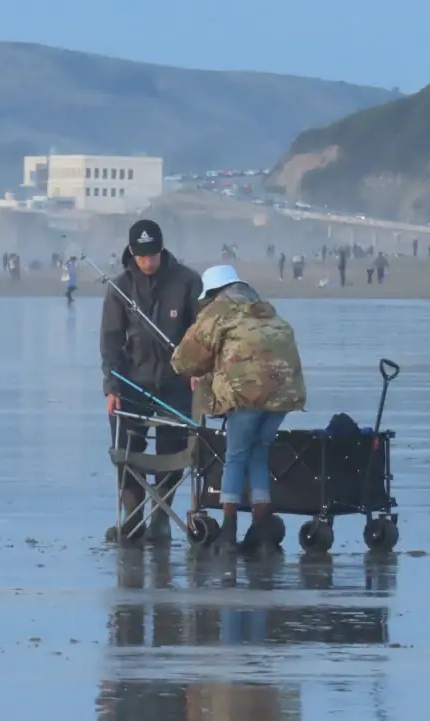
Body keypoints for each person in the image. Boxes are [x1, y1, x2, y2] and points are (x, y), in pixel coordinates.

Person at [170, 265, 307, 552]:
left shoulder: (218, 311)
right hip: (284, 394)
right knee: (258, 454)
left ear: (214, 292)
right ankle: (261, 531)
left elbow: (185, 360)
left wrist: (192, 371)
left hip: (246, 394)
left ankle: (228, 531)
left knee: (235, 457)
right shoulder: (264, 309)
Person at [101, 219, 202, 543]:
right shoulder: (120, 288)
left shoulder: (187, 282)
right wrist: (111, 387)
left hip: (176, 384)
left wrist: (198, 370)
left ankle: (161, 518)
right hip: (132, 384)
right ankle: (132, 519)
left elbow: (201, 333)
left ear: (162, 249)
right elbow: (111, 340)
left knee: (172, 451)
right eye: (143, 256)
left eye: (154, 254)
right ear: (132, 252)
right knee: (127, 452)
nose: (149, 261)